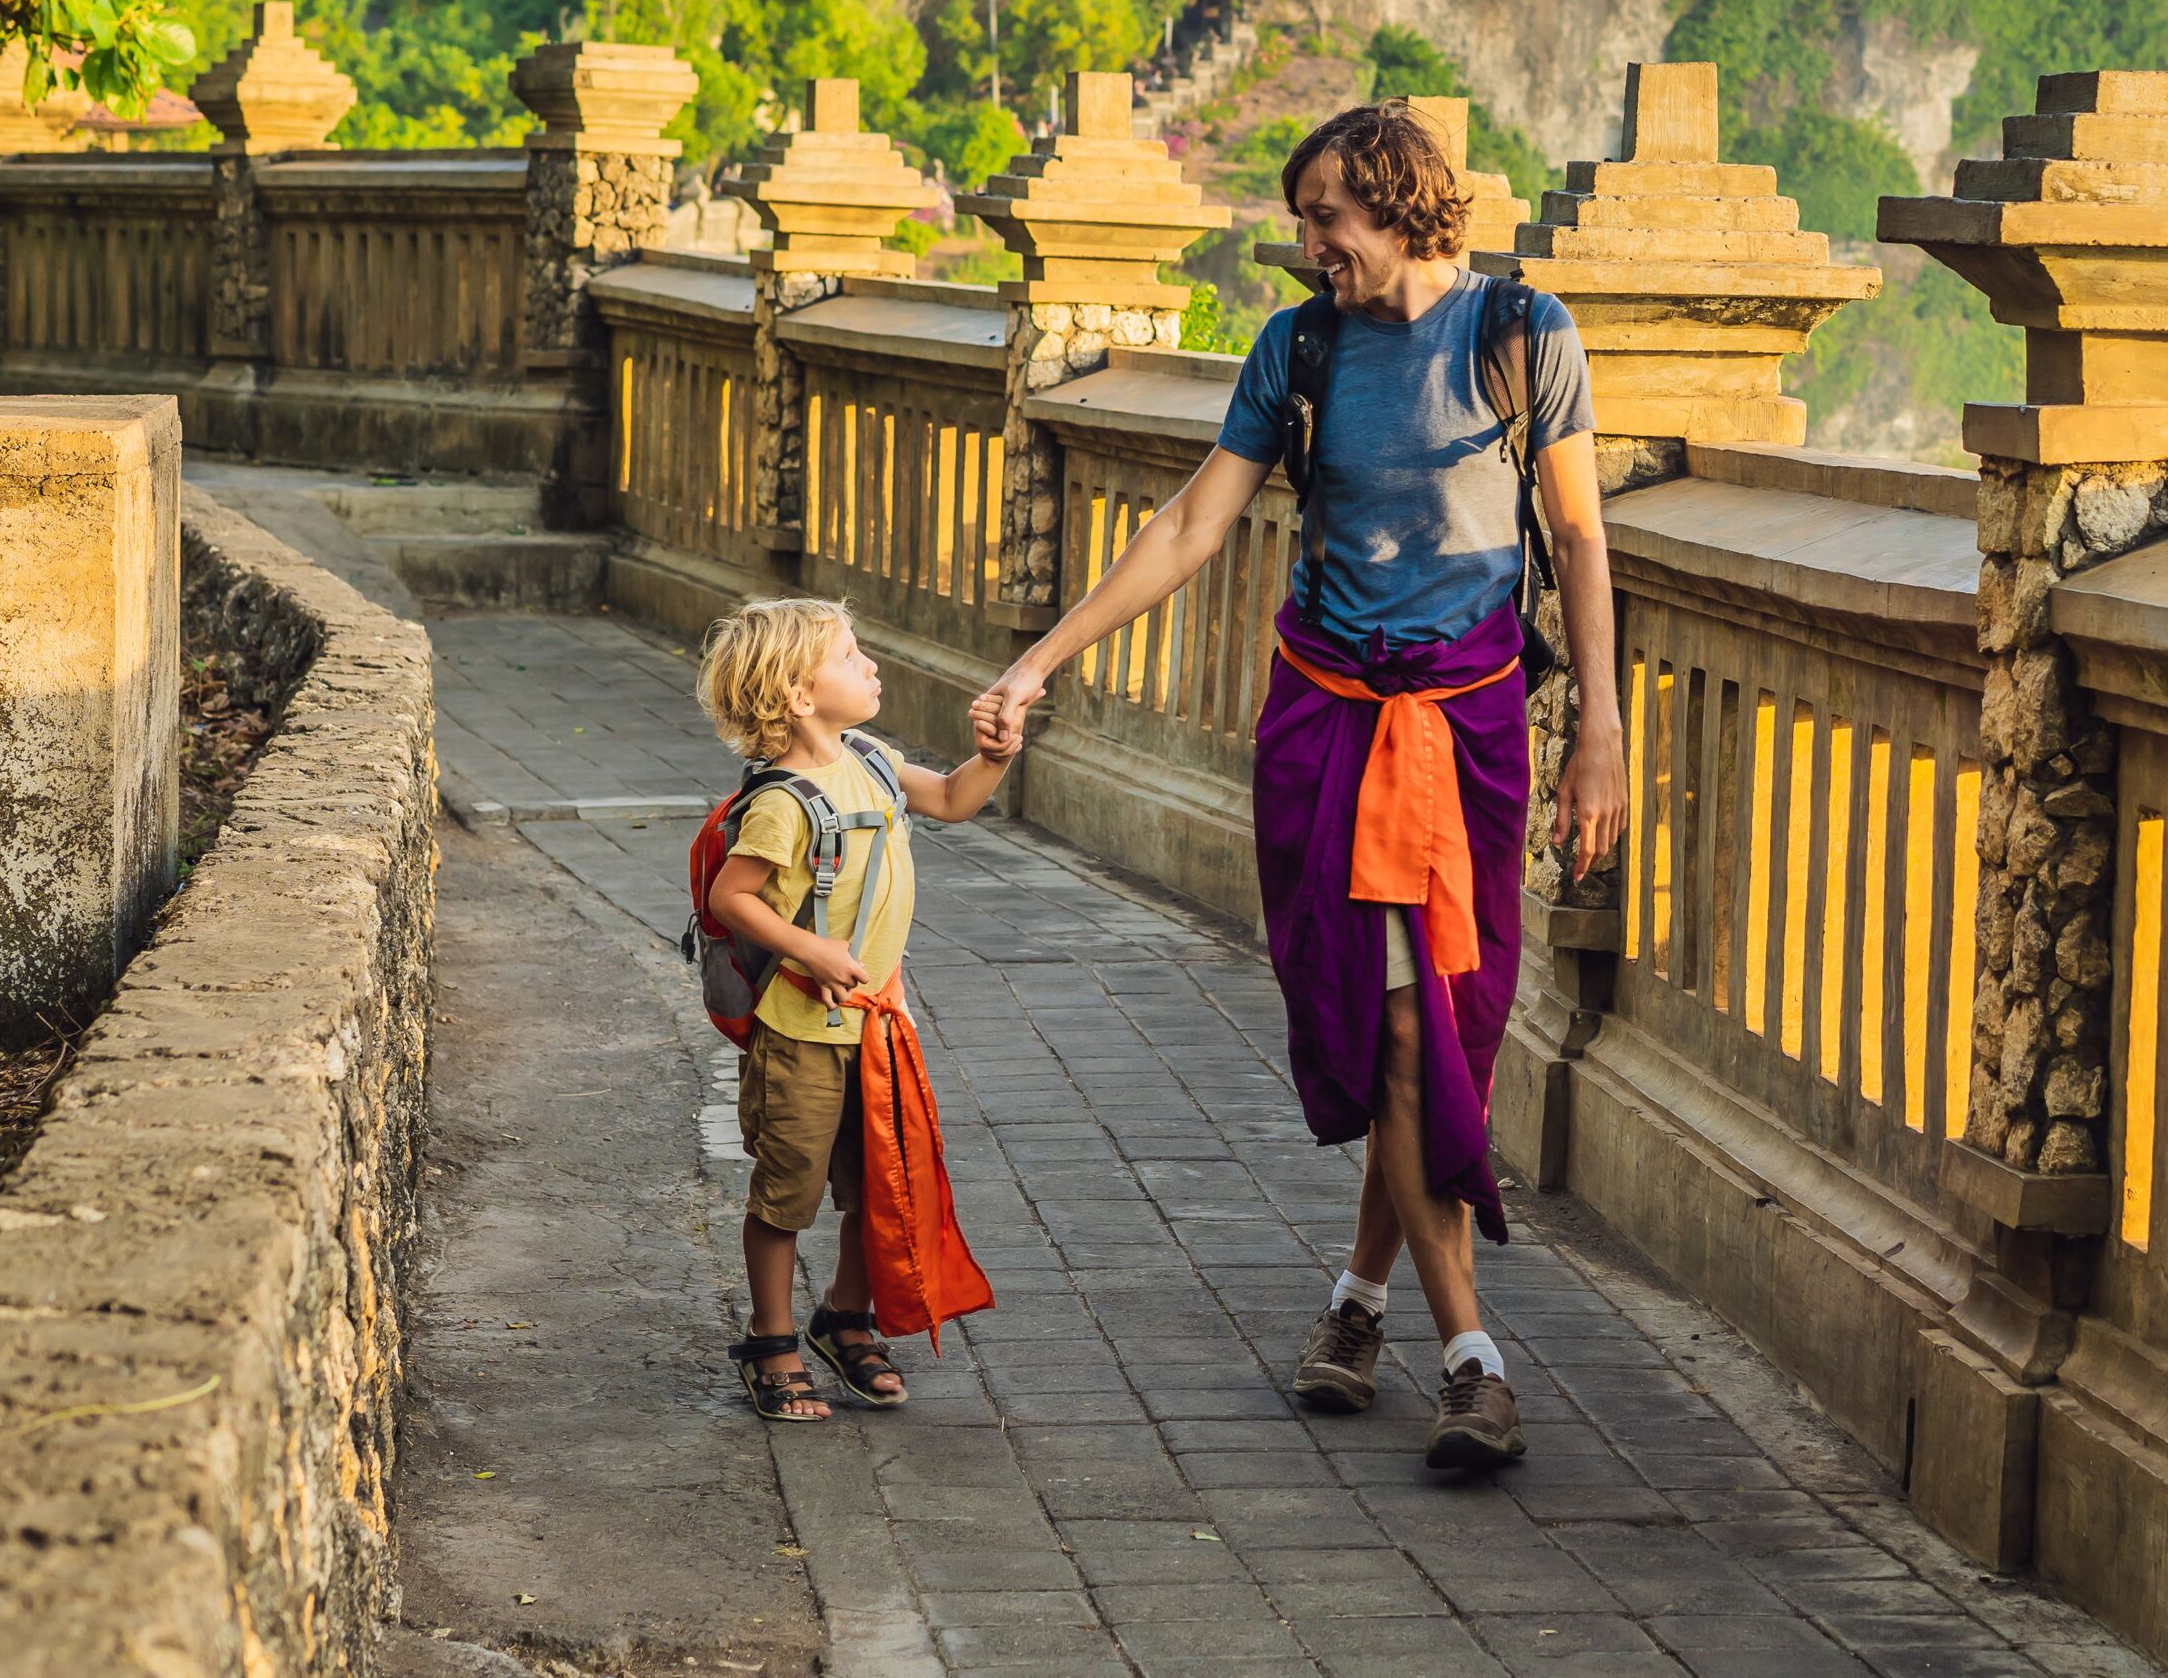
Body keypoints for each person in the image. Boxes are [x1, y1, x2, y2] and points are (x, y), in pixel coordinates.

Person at [972, 101, 1627, 1469]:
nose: (1310, 242)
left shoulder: (1522, 337)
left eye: (1327, 215)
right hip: (1331, 717)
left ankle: (1355, 1308)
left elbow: (1576, 534)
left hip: (1470, 729)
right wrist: (1040, 664)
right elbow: (1192, 522)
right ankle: (1474, 1362)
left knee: (1438, 1031)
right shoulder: (1302, 348)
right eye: (1306, 219)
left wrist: (1603, 729)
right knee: (1394, 1030)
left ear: (1400, 202)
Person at [696, 599, 1016, 1422]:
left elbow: (947, 800)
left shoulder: (871, 759)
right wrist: (811, 951)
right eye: (850, 655)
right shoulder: (781, 802)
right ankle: (770, 1340)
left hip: (878, 1026)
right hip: (802, 1036)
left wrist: (993, 758)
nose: (870, 665)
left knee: (882, 1188)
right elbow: (734, 898)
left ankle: (845, 1318)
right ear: (800, 696)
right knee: (786, 1194)